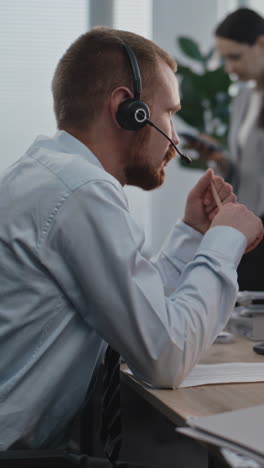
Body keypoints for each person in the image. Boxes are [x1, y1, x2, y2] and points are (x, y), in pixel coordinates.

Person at [0, 26, 262, 467]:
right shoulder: (81, 192)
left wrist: (192, 233)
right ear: (129, 110)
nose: (176, 142)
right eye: (170, 114)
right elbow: (165, 356)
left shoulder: (48, 173)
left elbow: (134, 307)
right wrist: (226, 238)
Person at [184, 7, 264, 291]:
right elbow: (248, 170)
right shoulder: (243, 100)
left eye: (235, 57)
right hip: (249, 224)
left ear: (261, 43)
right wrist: (219, 159)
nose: (229, 68)